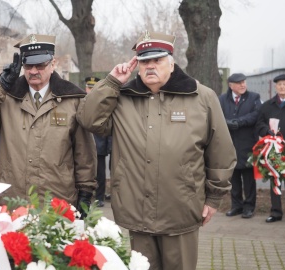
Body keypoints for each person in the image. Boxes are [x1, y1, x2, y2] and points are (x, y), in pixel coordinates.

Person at [77, 30, 236, 269]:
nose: (150, 66)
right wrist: (111, 83)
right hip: (136, 210)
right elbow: (89, 119)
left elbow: (221, 150)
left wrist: (214, 197)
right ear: (137, 65)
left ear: (171, 64)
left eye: (157, 60)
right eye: (144, 61)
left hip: (181, 210)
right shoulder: (122, 98)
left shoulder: (201, 97)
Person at [0, 34, 97, 216]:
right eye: (28, 65)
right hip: (15, 202)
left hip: (58, 203)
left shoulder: (72, 99)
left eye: (40, 65)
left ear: (53, 63)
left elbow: (84, 153)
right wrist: (1, 86)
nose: (34, 71)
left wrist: (85, 193)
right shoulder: (7, 98)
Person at [255, 74, 285, 225]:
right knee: (275, 180)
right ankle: (275, 212)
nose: (282, 86)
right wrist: (267, 131)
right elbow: (259, 123)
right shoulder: (268, 105)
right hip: (273, 150)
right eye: (279, 84)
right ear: (275, 87)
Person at [219, 73, 261, 219]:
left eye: (244, 82)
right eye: (239, 83)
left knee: (249, 179)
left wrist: (238, 122)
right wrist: (227, 122)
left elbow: (256, 115)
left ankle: (249, 207)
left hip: (248, 145)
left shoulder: (254, 97)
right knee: (234, 178)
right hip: (229, 145)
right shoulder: (222, 99)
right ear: (231, 85)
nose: (243, 85)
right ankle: (236, 206)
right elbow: (217, 116)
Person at [85, 76, 111, 207]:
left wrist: (107, 147)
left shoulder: (103, 103)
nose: (91, 90)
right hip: (84, 145)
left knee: (100, 173)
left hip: (99, 145)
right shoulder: (81, 101)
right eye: (89, 88)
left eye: (93, 88)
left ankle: (99, 197)